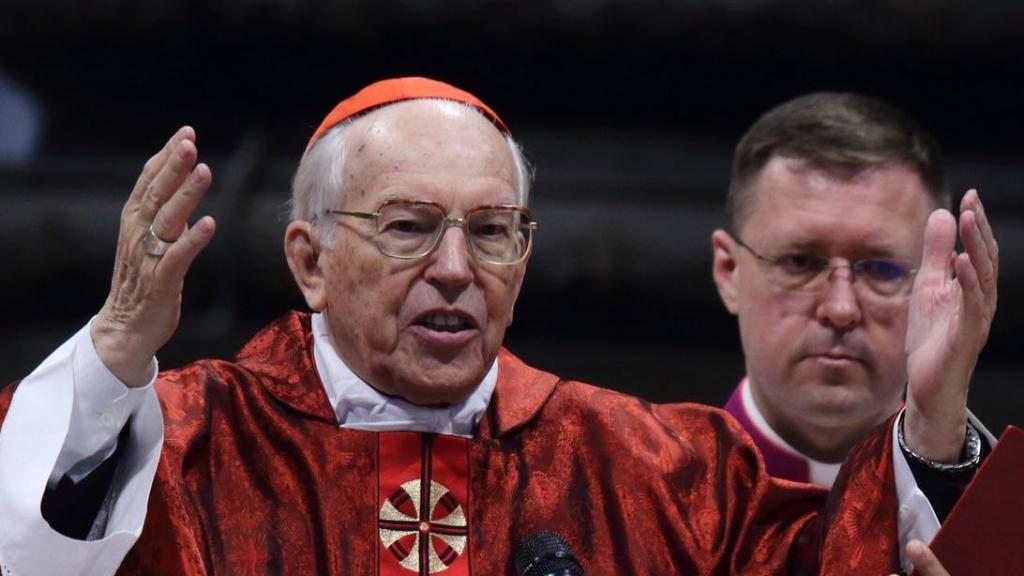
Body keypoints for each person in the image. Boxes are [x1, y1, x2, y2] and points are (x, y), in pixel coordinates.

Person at [0, 78, 991, 575]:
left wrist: (937, 420)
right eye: (406, 227)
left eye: (490, 231)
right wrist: (117, 351)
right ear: (308, 261)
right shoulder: (183, 445)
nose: (453, 269)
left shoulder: (664, 471)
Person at [713, 92, 997, 489]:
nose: (841, 308)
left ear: (945, 286)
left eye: (882, 269)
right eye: (800, 263)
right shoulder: (634, 510)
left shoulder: (1004, 527)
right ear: (728, 271)